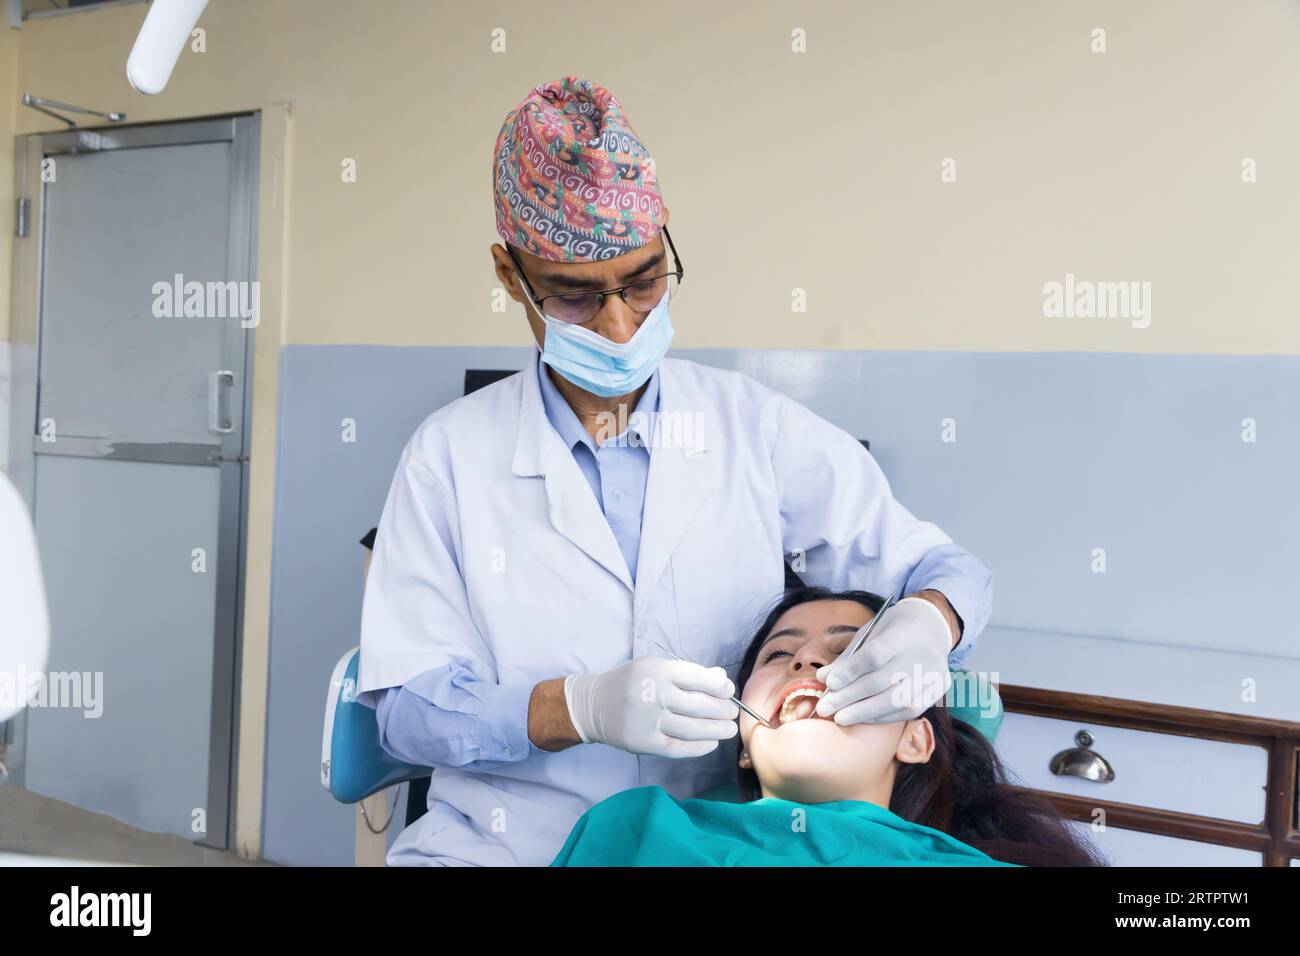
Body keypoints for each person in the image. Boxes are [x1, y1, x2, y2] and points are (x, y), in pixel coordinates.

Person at [357, 76, 994, 866]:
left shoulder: (752, 429)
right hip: (501, 848)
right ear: (509, 275)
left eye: (644, 279)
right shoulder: (448, 457)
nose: (621, 325)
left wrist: (934, 618)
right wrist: (576, 707)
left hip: (710, 846)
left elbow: (946, 569)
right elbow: (405, 716)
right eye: (575, 298)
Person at [552, 588, 1103, 866]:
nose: (806, 661)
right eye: (777, 654)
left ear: (915, 738)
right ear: (742, 748)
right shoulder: (633, 828)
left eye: (846, 651)